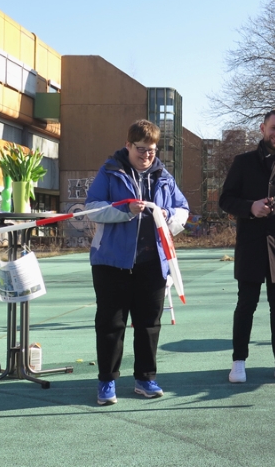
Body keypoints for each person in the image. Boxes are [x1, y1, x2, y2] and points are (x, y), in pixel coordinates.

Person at [85, 119, 189, 405]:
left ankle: (145, 378)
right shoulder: (109, 171)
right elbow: (91, 209)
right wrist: (125, 210)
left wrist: (168, 216)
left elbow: (182, 209)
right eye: (141, 149)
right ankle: (107, 381)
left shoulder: (164, 176)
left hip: (153, 263)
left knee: (149, 324)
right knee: (110, 324)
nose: (146, 155)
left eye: (152, 150)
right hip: (111, 262)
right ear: (128, 145)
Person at [219, 108, 275, 383]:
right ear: (262, 129)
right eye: (274, 128)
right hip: (251, 245)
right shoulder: (243, 162)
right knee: (246, 304)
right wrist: (250, 207)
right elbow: (225, 199)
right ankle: (238, 362)